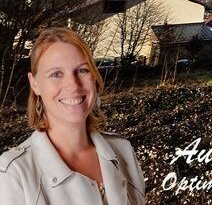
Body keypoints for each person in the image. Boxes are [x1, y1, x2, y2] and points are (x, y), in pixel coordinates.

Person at [0, 27, 146, 204]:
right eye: (56, 74)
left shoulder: (124, 151)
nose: (73, 85)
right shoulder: (13, 174)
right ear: (35, 83)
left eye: (82, 70)